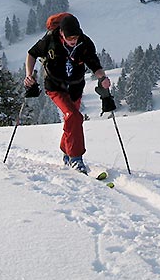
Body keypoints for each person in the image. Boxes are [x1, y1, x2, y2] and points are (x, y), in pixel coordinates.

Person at [24, 14, 110, 174]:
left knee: (72, 120)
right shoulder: (50, 40)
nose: (73, 40)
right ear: (61, 33)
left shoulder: (85, 43)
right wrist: (29, 75)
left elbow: (95, 65)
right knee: (74, 116)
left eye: (75, 37)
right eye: (70, 37)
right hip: (55, 86)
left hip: (76, 87)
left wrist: (103, 78)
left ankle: (66, 151)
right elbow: (31, 54)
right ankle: (75, 159)